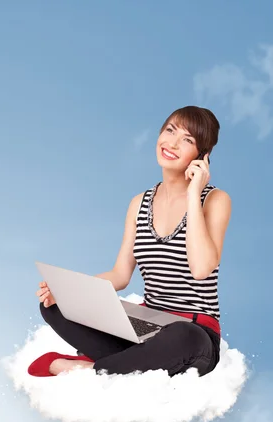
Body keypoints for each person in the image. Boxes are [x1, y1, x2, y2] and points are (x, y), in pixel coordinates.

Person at [29, 106, 232, 378]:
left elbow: (201, 269)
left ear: (203, 156)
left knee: (184, 337)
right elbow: (120, 275)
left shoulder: (214, 200)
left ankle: (89, 369)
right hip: (142, 325)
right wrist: (67, 291)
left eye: (187, 139)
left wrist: (194, 194)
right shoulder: (140, 203)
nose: (172, 143)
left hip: (193, 331)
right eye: (170, 130)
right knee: (54, 306)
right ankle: (130, 362)